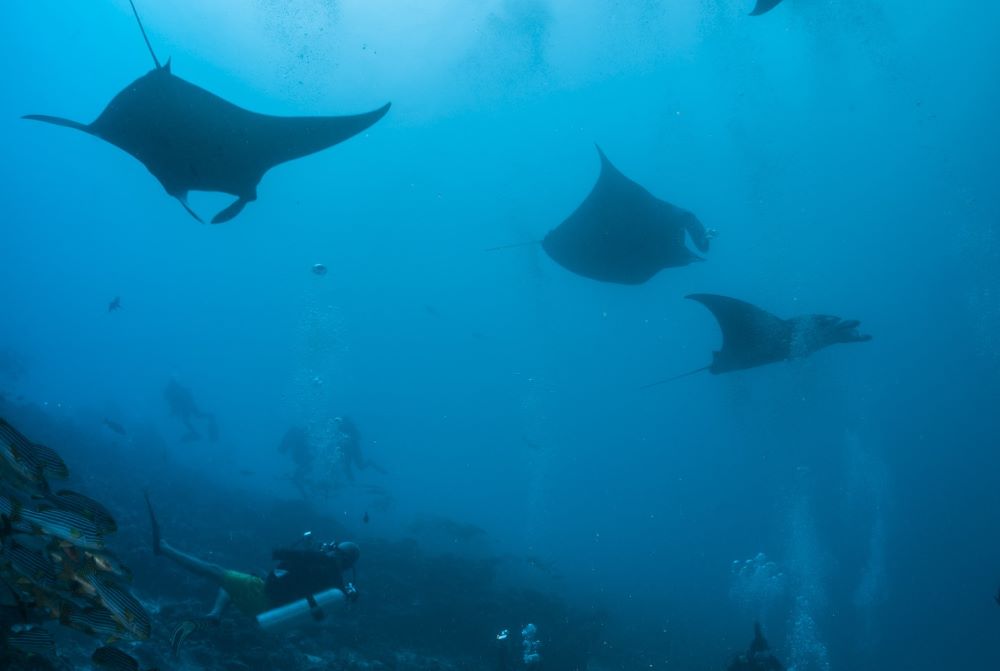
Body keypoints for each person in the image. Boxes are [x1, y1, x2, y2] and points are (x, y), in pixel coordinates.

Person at [144, 493, 359, 624]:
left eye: (336, 549)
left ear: (341, 555)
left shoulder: (327, 563)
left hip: (263, 596)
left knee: (215, 571)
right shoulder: (335, 581)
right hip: (273, 609)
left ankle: (163, 548)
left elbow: (287, 555)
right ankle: (216, 614)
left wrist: (283, 551)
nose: (331, 549)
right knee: (236, 579)